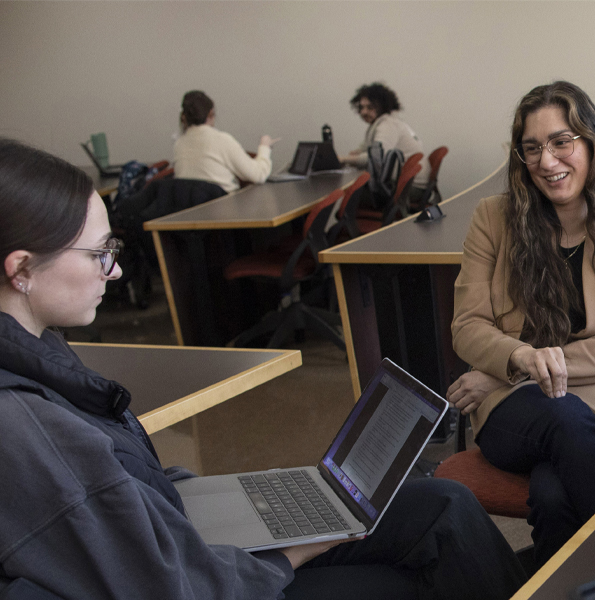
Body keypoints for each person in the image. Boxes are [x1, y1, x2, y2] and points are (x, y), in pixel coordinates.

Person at [0, 138, 526, 599]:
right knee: (430, 572)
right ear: (22, 269)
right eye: (99, 253)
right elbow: (180, 588)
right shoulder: (24, 424)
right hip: (212, 580)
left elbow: (125, 492)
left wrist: (238, 495)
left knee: (444, 502)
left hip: (187, 543)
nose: (114, 271)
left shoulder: (37, 352)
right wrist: (299, 547)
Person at [447, 81, 595, 566]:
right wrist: (522, 360)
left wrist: (506, 369)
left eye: (562, 142)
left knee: (552, 495)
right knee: (561, 417)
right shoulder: (492, 219)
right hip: (514, 409)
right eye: (532, 148)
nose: (547, 161)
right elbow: (467, 325)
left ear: (591, 144)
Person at [339, 82, 431, 204]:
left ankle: (352, 223)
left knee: (351, 195)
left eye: (370, 108)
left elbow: (376, 158)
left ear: (382, 106)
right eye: (361, 107)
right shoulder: (384, 123)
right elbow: (367, 148)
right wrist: (355, 154)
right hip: (409, 185)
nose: (363, 112)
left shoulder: (387, 126)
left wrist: (343, 159)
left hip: (410, 189)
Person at [173, 90, 278, 193]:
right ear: (211, 113)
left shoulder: (179, 144)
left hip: (193, 209)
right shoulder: (221, 140)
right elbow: (258, 175)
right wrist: (265, 147)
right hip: (226, 206)